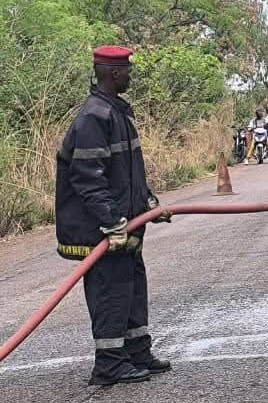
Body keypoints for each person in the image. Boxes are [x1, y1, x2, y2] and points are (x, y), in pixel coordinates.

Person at [55, 46, 172, 386]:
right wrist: (111, 221)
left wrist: (147, 203)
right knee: (111, 291)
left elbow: (127, 172)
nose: (131, 75)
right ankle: (109, 364)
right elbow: (87, 178)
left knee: (131, 288)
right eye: (127, 71)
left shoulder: (117, 112)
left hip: (126, 226)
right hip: (103, 230)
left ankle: (136, 352)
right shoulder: (94, 117)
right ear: (112, 73)